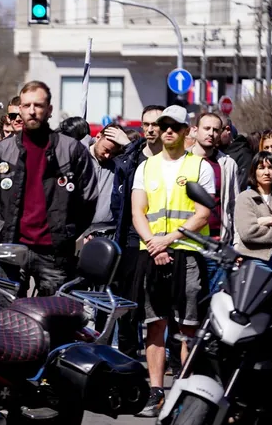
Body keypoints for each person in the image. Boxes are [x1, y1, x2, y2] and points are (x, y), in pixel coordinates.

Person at [131, 105, 214, 417]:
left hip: (187, 253)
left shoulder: (200, 167)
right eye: (163, 125)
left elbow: (202, 214)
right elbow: (138, 211)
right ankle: (156, 393)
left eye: (175, 126)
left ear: (186, 131)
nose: (167, 131)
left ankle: (183, 392)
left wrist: (167, 240)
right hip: (152, 253)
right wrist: (155, 244)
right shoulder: (146, 167)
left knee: (188, 327)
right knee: (155, 325)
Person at [0, 81, 98, 300]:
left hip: (54, 252)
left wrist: (67, 232)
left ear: (49, 109)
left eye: (38, 105)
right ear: (19, 110)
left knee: (53, 314)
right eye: (27, 105)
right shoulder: (2, 151)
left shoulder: (71, 150)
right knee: (10, 314)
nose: (32, 111)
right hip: (12, 247)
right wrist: (3, 228)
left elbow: (88, 198)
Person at [111, 105, 164, 358]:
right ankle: (128, 355)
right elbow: (118, 201)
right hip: (132, 238)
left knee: (161, 304)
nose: (151, 129)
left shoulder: (174, 160)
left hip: (165, 239)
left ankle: (169, 358)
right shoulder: (130, 159)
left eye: (156, 124)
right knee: (129, 302)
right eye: (147, 124)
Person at [189, 112, 239, 291]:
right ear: (195, 130)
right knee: (190, 296)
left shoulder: (227, 164)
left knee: (215, 296)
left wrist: (235, 244)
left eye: (216, 130)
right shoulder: (181, 161)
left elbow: (234, 205)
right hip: (189, 242)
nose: (211, 133)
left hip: (218, 242)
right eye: (206, 128)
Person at [234, 151, 272, 280]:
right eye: (261, 168)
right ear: (254, 171)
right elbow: (248, 233)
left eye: (271, 168)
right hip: (257, 259)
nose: (267, 172)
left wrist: (270, 220)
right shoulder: (245, 198)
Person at [86, 123, 127, 225]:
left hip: (108, 229)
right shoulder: (78, 157)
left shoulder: (117, 162)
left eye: (113, 153)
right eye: (106, 150)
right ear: (98, 137)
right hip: (80, 230)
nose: (108, 156)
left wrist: (128, 144)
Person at [218, 117, 254, 190]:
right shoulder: (214, 152)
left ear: (227, 130)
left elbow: (241, 186)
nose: (213, 134)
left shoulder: (244, 154)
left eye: (217, 131)